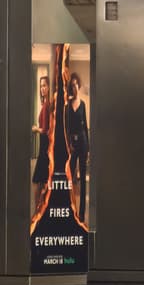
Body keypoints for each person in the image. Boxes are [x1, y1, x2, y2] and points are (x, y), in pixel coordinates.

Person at [64, 73, 89, 224]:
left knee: (83, 179)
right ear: (70, 88)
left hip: (83, 143)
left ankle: (81, 214)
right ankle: (69, 209)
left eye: (75, 84)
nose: (74, 87)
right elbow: (66, 128)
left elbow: (85, 126)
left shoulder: (84, 104)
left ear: (78, 86)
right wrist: (69, 144)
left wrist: (89, 147)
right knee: (70, 178)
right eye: (71, 85)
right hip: (72, 145)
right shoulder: (67, 107)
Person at [31, 75, 54, 215]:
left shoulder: (47, 105)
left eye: (44, 85)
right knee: (42, 182)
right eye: (41, 86)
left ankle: (37, 213)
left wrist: (35, 128)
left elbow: (45, 130)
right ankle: (40, 212)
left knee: (38, 182)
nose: (42, 88)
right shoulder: (46, 103)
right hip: (45, 148)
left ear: (49, 87)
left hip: (45, 148)